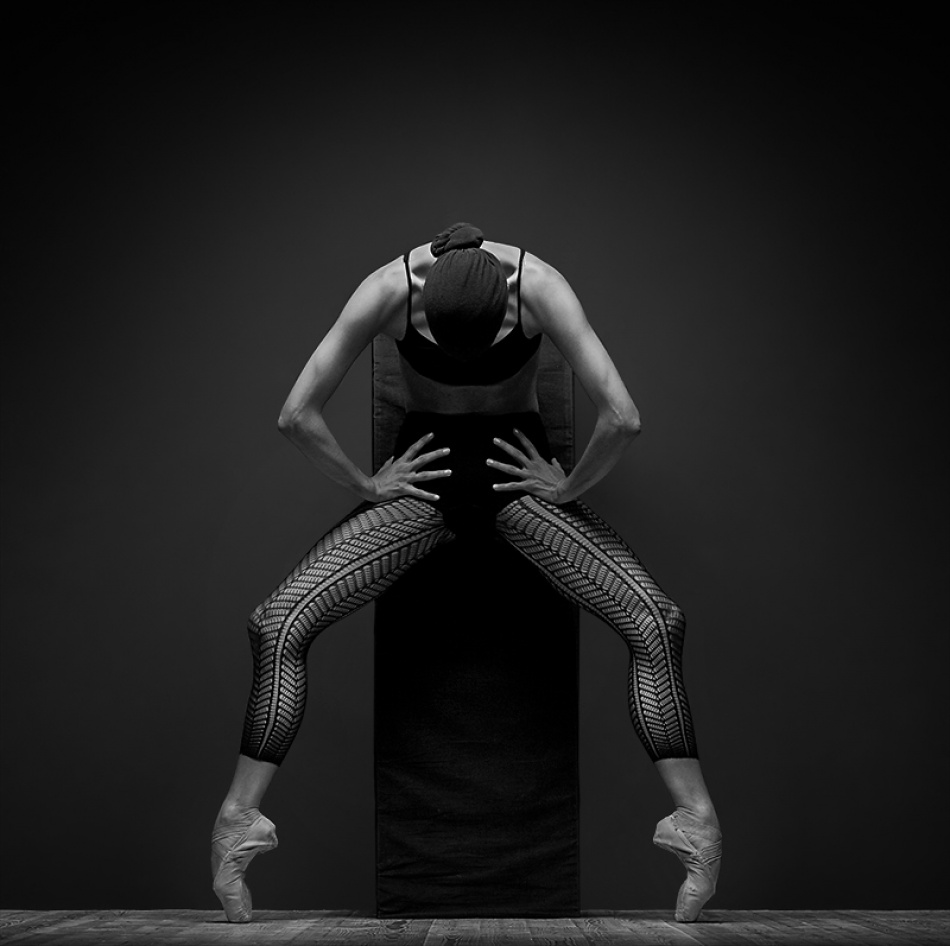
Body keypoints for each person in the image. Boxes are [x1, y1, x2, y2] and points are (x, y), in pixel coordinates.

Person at [210, 223, 722, 924]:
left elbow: (624, 418)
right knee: (277, 624)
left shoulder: (541, 285)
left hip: (516, 480)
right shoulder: (385, 289)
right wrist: (367, 482)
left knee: (657, 620)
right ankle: (236, 822)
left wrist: (567, 487)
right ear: (419, 303)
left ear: (508, 303)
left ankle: (697, 822)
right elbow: (295, 414)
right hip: (429, 482)